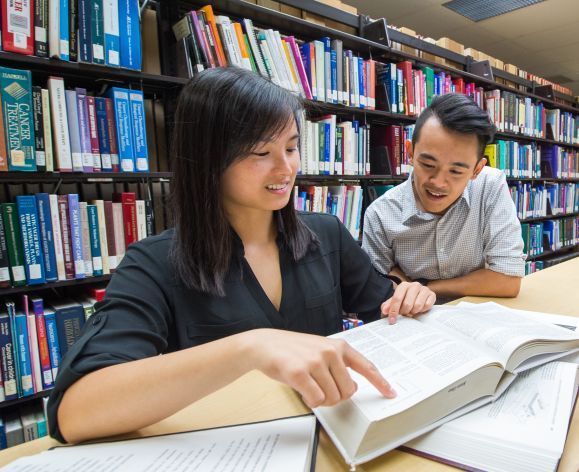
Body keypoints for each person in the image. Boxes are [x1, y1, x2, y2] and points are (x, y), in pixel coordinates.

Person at [48, 67, 436, 444]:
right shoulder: (154, 264)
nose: (286, 168)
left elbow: (386, 309)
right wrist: (248, 349)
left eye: (291, 147)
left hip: (336, 439)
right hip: (236, 450)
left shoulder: (325, 234)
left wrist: (410, 295)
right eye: (261, 152)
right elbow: (75, 412)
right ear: (209, 159)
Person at [363, 93, 525, 300]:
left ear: (477, 169)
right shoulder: (380, 215)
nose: (438, 182)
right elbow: (383, 290)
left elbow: (507, 280)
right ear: (410, 153)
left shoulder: (490, 186)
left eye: (456, 171)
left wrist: (423, 287)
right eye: (428, 165)